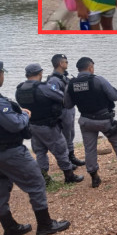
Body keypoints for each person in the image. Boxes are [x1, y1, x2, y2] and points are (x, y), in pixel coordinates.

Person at [0, 61, 71, 235]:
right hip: (11, 150)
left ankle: (10, 227)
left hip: (27, 135)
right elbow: (14, 124)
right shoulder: (43, 88)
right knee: (37, 183)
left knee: (1, 188)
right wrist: (24, 115)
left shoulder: (19, 89)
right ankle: (45, 225)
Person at [64, 57, 117, 188]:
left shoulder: (71, 85)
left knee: (89, 149)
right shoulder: (98, 80)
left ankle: (95, 178)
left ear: (78, 69)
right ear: (90, 67)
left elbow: (67, 105)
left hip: (86, 121)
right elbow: (114, 96)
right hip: (104, 119)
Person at [15, 64, 84, 185]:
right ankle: (69, 176)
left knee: (40, 152)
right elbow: (61, 97)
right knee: (61, 149)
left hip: (32, 125)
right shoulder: (43, 87)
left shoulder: (20, 89)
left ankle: (44, 178)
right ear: (40, 73)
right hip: (48, 125)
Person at [46, 54, 85, 167]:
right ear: (60, 64)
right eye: (66, 62)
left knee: (71, 133)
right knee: (66, 135)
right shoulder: (53, 80)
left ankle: (71, 157)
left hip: (69, 109)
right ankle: (67, 159)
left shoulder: (64, 77)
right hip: (62, 110)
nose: (67, 64)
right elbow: (53, 95)